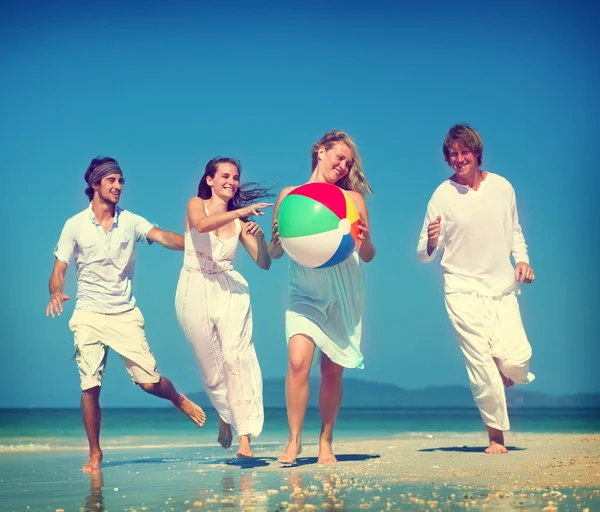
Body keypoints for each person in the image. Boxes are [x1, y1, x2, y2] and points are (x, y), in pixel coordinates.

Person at [46, 156, 206, 471]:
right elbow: (59, 269)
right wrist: (55, 292)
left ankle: (177, 398)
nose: (119, 186)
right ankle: (95, 453)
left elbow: (162, 236)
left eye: (121, 181)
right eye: (112, 181)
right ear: (95, 185)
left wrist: (191, 244)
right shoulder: (74, 225)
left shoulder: (130, 221)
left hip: (124, 314)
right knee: (89, 385)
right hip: (88, 314)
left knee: (148, 383)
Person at [417, 124, 536, 454]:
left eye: (463, 151)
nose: (458, 158)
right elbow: (423, 254)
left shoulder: (502, 188)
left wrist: (522, 261)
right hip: (461, 289)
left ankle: (503, 366)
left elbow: (515, 232)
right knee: (481, 365)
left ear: (476, 152)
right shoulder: (442, 195)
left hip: (502, 288)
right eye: (452, 154)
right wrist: (430, 241)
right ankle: (496, 437)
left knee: (517, 361)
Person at [269, 130, 376, 464]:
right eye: (338, 157)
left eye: (348, 162)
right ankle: (294, 440)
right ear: (320, 152)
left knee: (332, 372)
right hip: (304, 290)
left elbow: (369, 254)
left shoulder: (353, 201)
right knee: (298, 362)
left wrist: (365, 239)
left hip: (343, 291)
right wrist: (274, 239)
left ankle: (326, 441)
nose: (343, 166)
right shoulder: (290, 196)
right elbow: (275, 253)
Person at [175, 157, 272, 458]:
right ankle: (225, 415)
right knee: (212, 370)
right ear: (210, 181)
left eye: (235, 177)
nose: (231, 182)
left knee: (236, 359)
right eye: (225, 176)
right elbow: (202, 226)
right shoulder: (196, 205)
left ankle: (245, 436)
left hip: (230, 291)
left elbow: (265, 263)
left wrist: (263, 238)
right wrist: (240, 211)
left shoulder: (240, 223)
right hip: (194, 288)